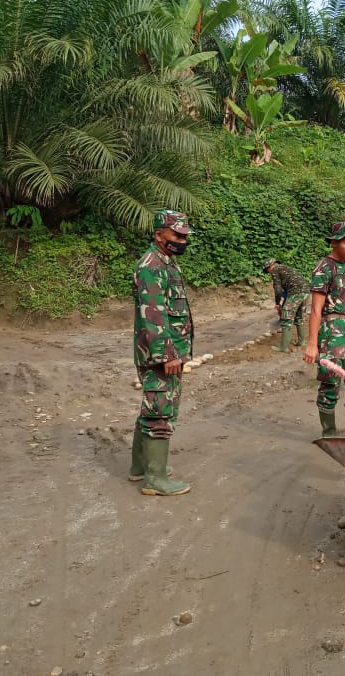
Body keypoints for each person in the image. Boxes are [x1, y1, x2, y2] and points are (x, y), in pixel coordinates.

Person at [129, 209, 196, 496]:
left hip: (167, 351)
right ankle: (154, 479)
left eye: (184, 236)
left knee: (154, 405)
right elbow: (153, 316)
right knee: (160, 409)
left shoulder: (165, 261)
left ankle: (141, 466)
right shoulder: (152, 266)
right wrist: (167, 354)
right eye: (177, 235)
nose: (182, 240)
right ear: (159, 235)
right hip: (161, 354)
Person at [303, 220, 345, 437]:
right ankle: (330, 433)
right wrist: (312, 345)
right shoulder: (324, 268)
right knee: (330, 381)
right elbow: (316, 310)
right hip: (330, 331)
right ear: (335, 243)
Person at [264, 258, 309, 353]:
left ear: (270, 266)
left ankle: (283, 347)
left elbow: (278, 289)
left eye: (267, 270)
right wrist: (281, 304)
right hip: (305, 292)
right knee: (299, 317)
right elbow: (286, 291)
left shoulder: (275, 270)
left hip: (295, 293)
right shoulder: (286, 269)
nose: (268, 272)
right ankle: (302, 341)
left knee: (286, 319)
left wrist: (277, 303)